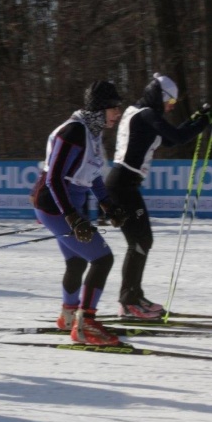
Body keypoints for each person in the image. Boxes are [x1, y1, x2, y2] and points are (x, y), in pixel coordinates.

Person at [104, 73, 212, 319]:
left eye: (174, 104)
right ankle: (128, 301)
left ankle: (133, 297)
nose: (170, 107)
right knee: (140, 241)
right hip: (122, 185)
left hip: (125, 185)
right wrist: (204, 121)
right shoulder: (145, 114)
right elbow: (177, 138)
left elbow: (168, 138)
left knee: (142, 241)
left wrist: (197, 118)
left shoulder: (143, 114)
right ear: (160, 96)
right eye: (171, 102)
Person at [31, 82, 126, 345]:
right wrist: (72, 216)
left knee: (77, 261)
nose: (117, 113)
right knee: (102, 259)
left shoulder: (92, 133)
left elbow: (92, 174)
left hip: (66, 204)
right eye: (114, 107)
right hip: (55, 204)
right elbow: (54, 178)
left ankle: (69, 316)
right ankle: (86, 325)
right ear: (99, 109)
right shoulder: (73, 131)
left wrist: (107, 204)